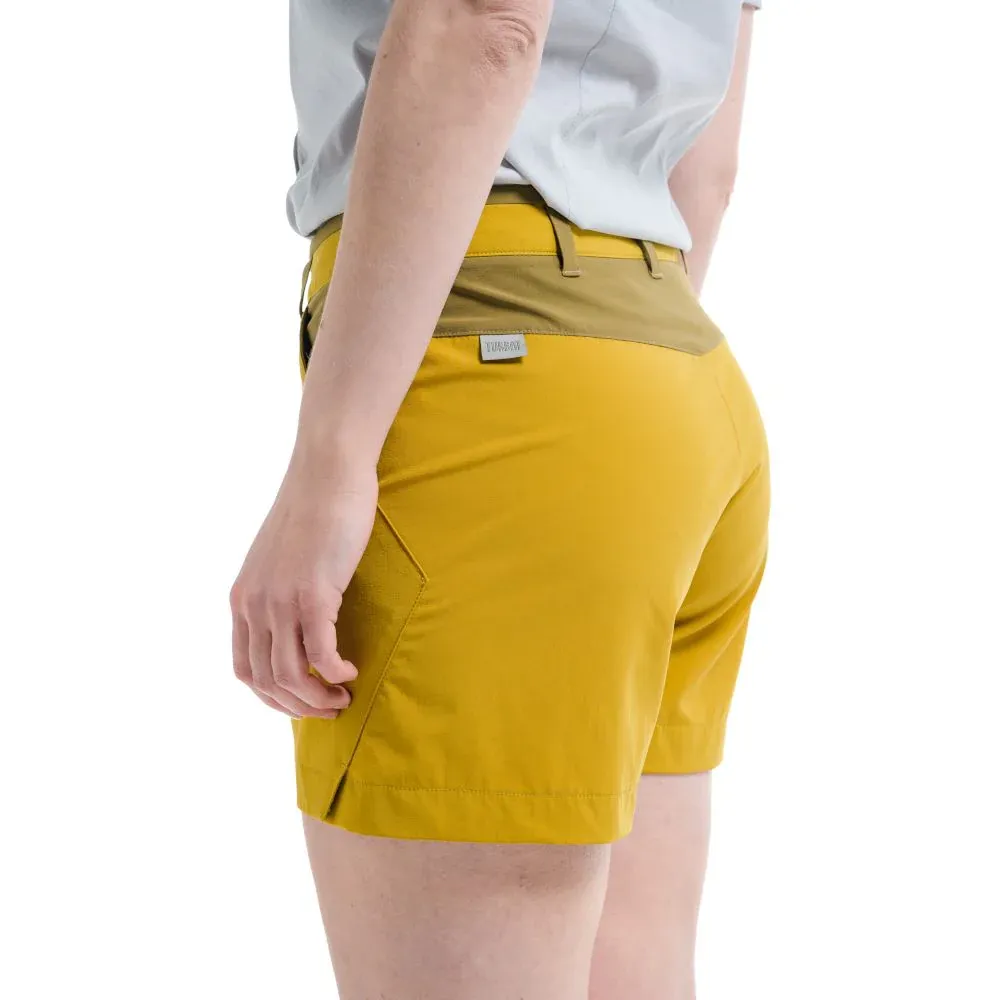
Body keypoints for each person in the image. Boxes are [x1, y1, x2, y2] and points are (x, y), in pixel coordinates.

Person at [230, 1, 768, 997]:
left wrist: (333, 458)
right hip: (675, 374)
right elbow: (711, 163)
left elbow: (482, 19)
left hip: (490, 373)